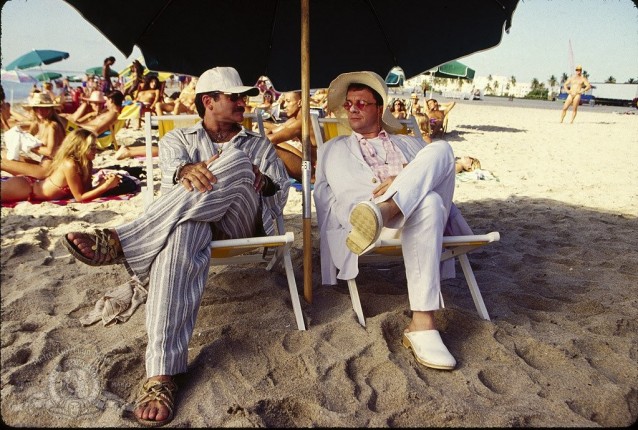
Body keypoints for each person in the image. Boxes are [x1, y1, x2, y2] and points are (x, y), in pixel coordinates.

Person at [62, 66, 290, 427]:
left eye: (244, 97)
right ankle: (160, 376)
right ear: (208, 101)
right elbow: (174, 189)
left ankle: (124, 240)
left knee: (237, 160)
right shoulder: (177, 139)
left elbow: (280, 195)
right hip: (191, 219)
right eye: (235, 97)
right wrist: (185, 171)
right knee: (183, 232)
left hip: (240, 222)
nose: (243, 103)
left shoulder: (258, 144)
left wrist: (261, 181)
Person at [314, 71, 459, 372]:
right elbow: (334, 198)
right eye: (349, 104)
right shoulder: (333, 149)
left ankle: (387, 208)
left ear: (379, 109)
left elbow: (437, 175)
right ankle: (422, 323)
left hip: (404, 219)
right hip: (368, 224)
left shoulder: (410, 144)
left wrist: (401, 181)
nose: (352, 109)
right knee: (430, 202)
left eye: (361, 103)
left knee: (442, 150)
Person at [1, 129, 122, 203]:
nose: (96, 150)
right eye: (91, 147)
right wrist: (105, 186)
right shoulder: (70, 164)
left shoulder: (87, 163)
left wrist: (103, 183)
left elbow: (86, 191)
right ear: (79, 148)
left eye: (95, 146)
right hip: (26, 188)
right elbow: (80, 198)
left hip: (31, 189)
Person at [1, 92, 66, 179]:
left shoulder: (52, 126)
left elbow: (50, 152)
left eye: (44, 108)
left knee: (2, 162)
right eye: (37, 108)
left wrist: (29, 146)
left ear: (50, 109)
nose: (40, 111)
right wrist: (4, 121)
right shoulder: (39, 123)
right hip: (43, 164)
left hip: (49, 170)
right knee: (5, 155)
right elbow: (21, 134)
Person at [263, 90, 316, 182]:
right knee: (278, 144)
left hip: (314, 171)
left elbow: (270, 139)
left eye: (288, 101)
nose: (284, 105)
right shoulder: (295, 120)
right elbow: (274, 131)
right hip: (309, 161)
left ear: (300, 103)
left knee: (269, 146)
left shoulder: (303, 122)